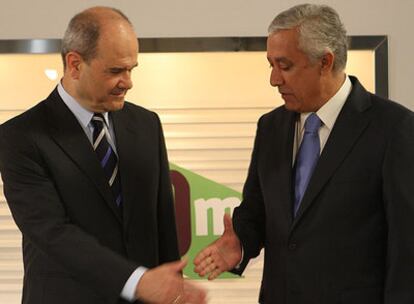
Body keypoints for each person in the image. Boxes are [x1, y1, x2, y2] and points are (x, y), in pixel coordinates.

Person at [194, 3, 414, 303]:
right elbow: (258, 210)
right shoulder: (271, 126)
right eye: (270, 64)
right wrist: (241, 243)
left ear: (325, 61)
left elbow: (407, 250)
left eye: (285, 66)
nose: (274, 79)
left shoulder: (394, 129)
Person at [0, 6, 206, 304]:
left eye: (131, 69)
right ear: (75, 64)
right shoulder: (21, 137)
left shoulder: (147, 125)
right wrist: (137, 281)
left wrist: (174, 290)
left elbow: (163, 225)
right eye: (115, 71)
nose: (128, 81)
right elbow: (52, 233)